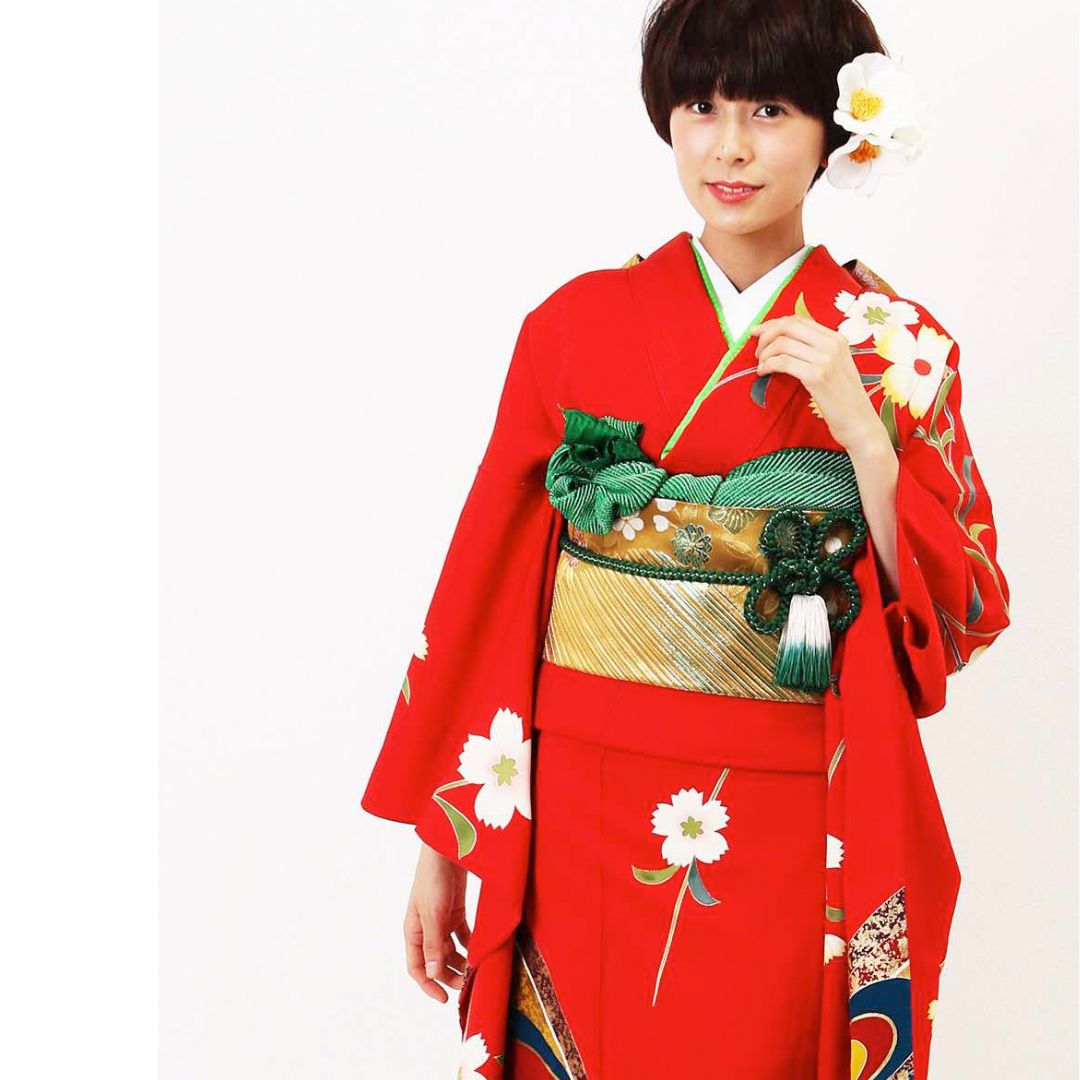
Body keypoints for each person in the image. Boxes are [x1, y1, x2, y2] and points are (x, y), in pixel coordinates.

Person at [361, 0, 1011, 1076]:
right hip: (584, 794)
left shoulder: (896, 348)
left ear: (835, 129)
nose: (730, 146)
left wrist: (864, 435)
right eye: (701, 107)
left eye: (770, 109)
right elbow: (486, 581)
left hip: (793, 796)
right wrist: (447, 840)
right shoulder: (574, 327)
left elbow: (957, 611)